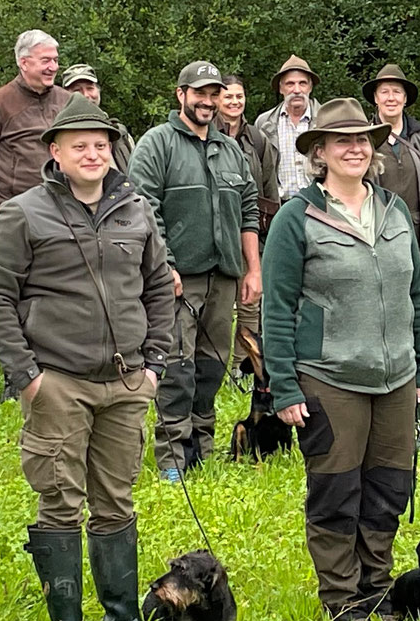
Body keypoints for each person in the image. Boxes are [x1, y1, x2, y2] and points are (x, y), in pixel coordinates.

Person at [0, 96, 173, 621]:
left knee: (117, 500)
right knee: (60, 501)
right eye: (79, 145)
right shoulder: (22, 213)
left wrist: (155, 363)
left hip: (127, 382)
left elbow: (159, 286)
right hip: (57, 381)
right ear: (55, 153)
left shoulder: (136, 211)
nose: (92, 154)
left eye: (101, 145)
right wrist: (27, 377)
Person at [260, 98, 420, 621]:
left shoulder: (395, 211)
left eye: (363, 140)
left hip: (396, 379)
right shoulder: (297, 217)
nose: (355, 149)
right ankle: (343, 603)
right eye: (342, 141)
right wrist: (284, 384)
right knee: (337, 490)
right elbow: (278, 307)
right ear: (320, 153)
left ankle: (377, 595)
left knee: (387, 489)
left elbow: (415, 294)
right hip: (329, 376)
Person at [130, 61, 262, 476]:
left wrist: (252, 269)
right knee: (175, 366)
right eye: (199, 93)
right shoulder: (157, 144)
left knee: (211, 365)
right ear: (181, 94)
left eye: (214, 94)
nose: (207, 101)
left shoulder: (231, 150)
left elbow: (248, 210)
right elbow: (143, 209)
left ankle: (201, 448)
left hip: (223, 276)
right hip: (176, 279)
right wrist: (164, 265)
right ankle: (172, 456)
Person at [363, 64, 420, 284]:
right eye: (384, 92)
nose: (391, 98)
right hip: (375, 240)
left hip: (418, 237)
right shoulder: (363, 139)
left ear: (405, 99)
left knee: (417, 305)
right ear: (375, 98)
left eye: (397, 92)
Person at [0, 28, 68, 208]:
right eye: (45, 60)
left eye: (55, 60)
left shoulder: (67, 101)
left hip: (64, 206)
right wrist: (7, 196)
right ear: (24, 63)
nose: (53, 67)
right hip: (18, 209)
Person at [218, 71, 279, 361]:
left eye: (239, 96)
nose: (234, 101)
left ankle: (245, 366)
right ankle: (213, 365)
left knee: (250, 302)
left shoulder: (257, 139)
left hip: (250, 232)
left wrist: (272, 232)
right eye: (228, 95)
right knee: (216, 303)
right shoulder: (207, 135)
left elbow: (270, 189)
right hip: (216, 231)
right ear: (217, 99)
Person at [253, 55, 320, 202]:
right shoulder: (264, 123)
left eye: (302, 83)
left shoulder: (325, 119)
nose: (297, 90)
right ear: (281, 88)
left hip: (320, 205)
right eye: (290, 84)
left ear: (310, 87)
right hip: (280, 206)